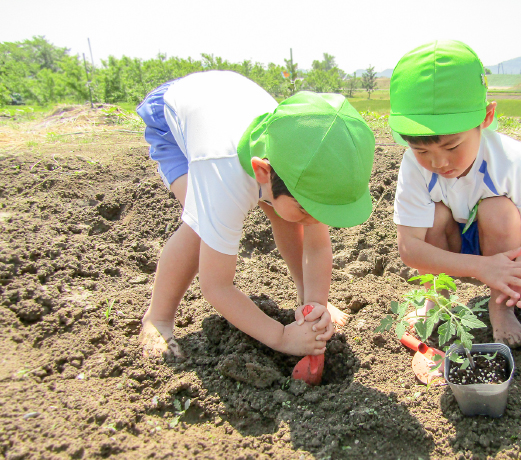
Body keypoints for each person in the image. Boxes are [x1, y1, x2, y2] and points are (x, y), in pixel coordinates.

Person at [135, 70, 375, 359]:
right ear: (263, 171)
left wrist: (315, 304)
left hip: (227, 102)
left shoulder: (302, 162)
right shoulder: (222, 174)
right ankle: (157, 318)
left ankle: (304, 296)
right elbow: (216, 286)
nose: (315, 219)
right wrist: (282, 337)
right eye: (307, 208)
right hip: (174, 114)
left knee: (287, 214)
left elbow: (317, 243)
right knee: (200, 227)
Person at [389, 40, 521, 348]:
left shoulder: (512, 160)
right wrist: (481, 268)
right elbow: (409, 248)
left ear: (486, 117)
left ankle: (500, 307)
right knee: (435, 215)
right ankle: (436, 299)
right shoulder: (414, 167)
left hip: (500, 246)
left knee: (499, 209)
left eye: (452, 146)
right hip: (451, 248)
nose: (438, 163)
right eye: (421, 150)